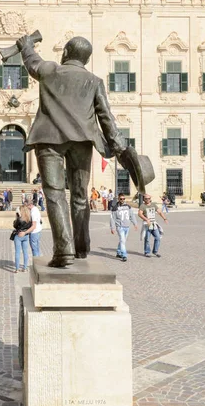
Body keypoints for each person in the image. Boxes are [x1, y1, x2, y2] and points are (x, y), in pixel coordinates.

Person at [16, 34, 132, 268]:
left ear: (66, 53)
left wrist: (26, 47)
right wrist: (120, 146)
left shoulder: (51, 70)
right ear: (86, 59)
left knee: (55, 193)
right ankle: (81, 247)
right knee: (80, 196)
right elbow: (106, 118)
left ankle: (63, 250)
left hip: (49, 140)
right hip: (82, 141)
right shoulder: (94, 81)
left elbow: (33, 63)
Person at [138, 194, 168, 258]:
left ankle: (155, 251)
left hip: (153, 224)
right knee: (147, 239)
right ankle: (147, 252)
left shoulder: (153, 205)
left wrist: (164, 218)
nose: (147, 200)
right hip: (147, 224)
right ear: (144, 199)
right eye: (146, 198)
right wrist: (146, 219)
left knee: (157, 237)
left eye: (148, 198)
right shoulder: (142, 206)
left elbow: (159, 212)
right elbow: (140, 214)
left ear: (150, 198)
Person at [110, 192, 137, 262]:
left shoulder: (128, 206)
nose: (122, 200)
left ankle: (118, 252)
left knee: (123, 240)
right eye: (121, 199)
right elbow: (112, 219)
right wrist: (112, 228)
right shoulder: (115, 208)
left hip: (127, 226)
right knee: (122, 240)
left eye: (123, 199)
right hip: (120, 227)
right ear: (118, 199)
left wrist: (135, 224)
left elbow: (132, 215)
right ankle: (124, 255)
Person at [12, 204, 32, 273]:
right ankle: (25, 268)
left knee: (17, 252)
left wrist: (17, 216)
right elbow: (30, 227)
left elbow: (15, 225)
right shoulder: (29, 218)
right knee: (25, 252)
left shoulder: (19, 219)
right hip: (26, 235)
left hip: (19, 235)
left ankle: (17, 269)